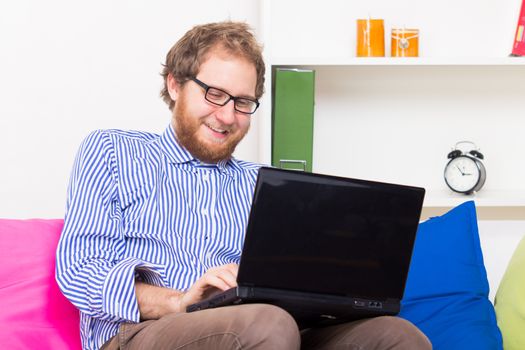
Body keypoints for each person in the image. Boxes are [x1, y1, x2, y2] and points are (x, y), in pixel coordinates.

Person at [56, 21, 432, 350]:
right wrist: (180, 301)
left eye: (242, 102)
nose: (226, 116)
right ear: (174, 84)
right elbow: (79, 270)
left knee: (398, 336)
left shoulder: (264, 184)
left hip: (267, 329)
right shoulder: (112, 151)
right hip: (143, 333)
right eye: (214, 94)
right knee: (268, 324)